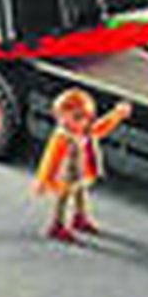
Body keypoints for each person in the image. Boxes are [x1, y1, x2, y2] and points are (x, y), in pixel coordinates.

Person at [33, 88, 131, 243]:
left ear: (87, 117)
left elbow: (102, 127)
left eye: (77, 117)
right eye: (61, 118)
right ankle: (57, 224)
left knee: (80, 193)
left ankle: (79, 218)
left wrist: (117, 114)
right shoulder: (63, 137)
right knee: (62, 199)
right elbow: (51, 159)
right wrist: (43, 180)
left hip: (80, 171)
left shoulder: (85, 132)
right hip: (64, 175)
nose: (65, 122)